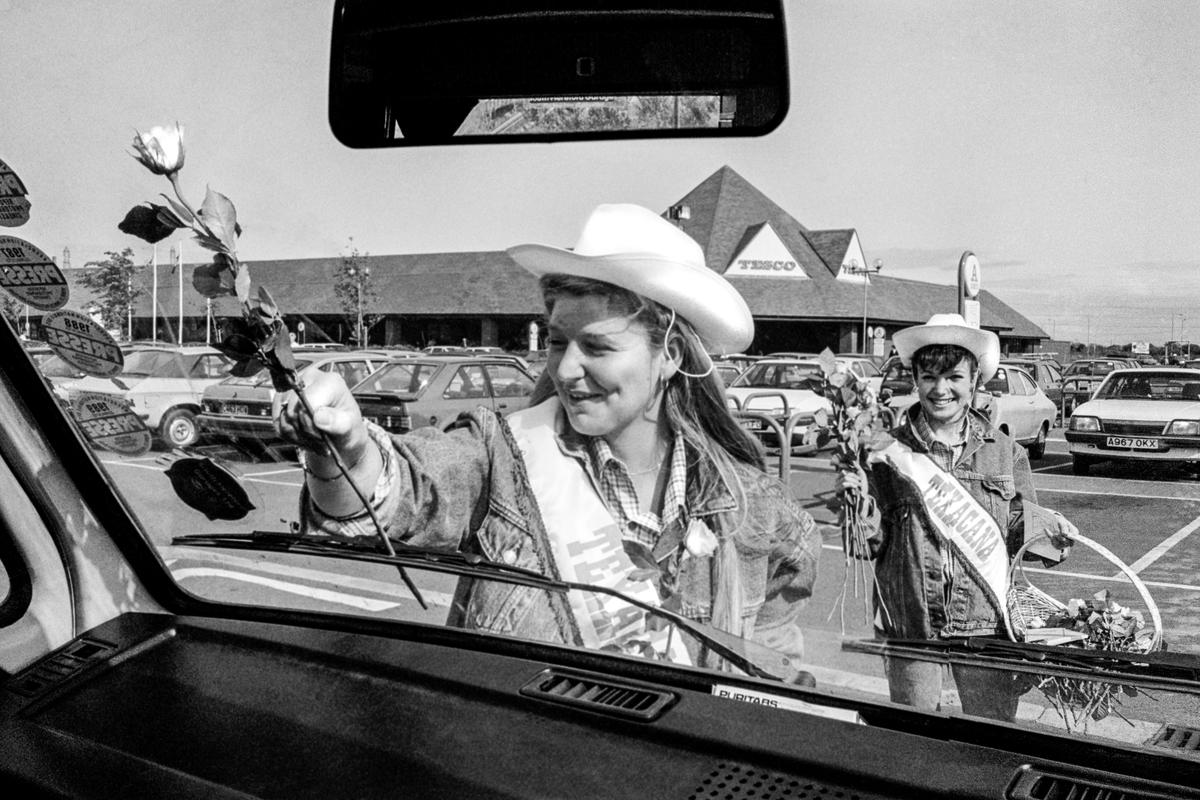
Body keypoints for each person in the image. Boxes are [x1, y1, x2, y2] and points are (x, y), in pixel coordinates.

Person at [274, 203, 821, 673]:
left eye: (598, 347)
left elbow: (772, 672)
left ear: (670, 356)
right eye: (559, 343)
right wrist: (343, 449)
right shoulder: (502, 456)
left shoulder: (755, 509)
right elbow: (398, 494)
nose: (567, 370)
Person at [836, 313, 1077, 720]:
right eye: (928, 376)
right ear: (915, 379)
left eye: (953, 377)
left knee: (990, 741)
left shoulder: (1005, 452)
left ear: (974, 382)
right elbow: (868, 544)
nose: (940, 388)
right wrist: (856, 503)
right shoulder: (883, 452)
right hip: (912, 620)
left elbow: (1018, 532)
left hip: (986, 623)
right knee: (914, 740)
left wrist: (1054, 535)